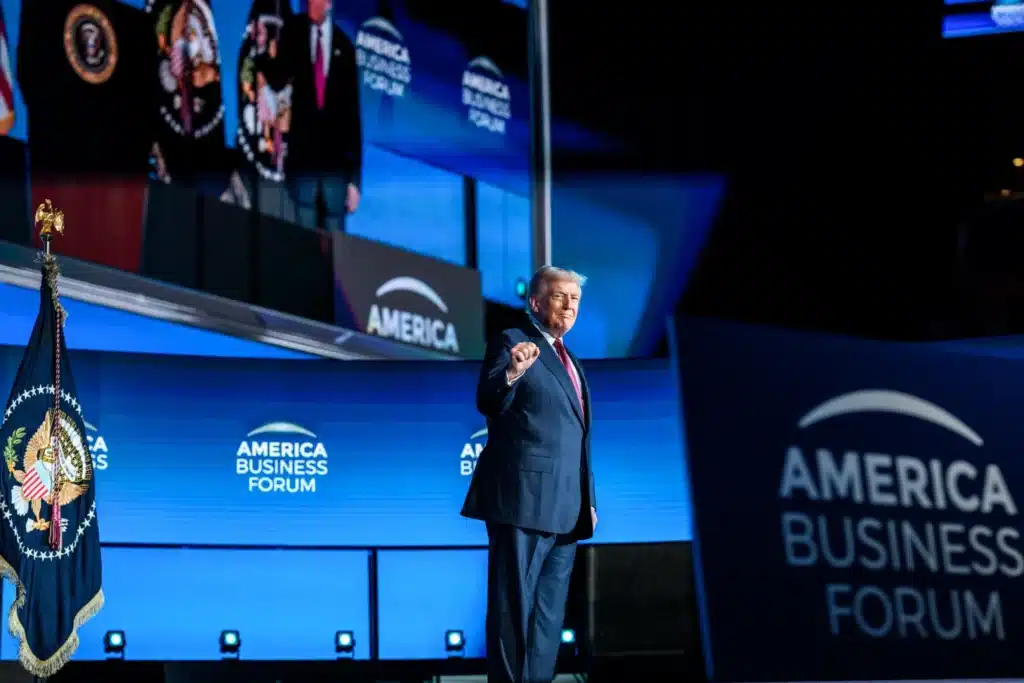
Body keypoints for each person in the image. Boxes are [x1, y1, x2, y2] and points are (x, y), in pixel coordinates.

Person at [462, 266, 598, 683]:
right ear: (536, 302)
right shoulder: (513, 341)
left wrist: (589, 499)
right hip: (522, 500)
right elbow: (488, 397)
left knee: (547, 621)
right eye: (560, 297)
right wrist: (512, 373)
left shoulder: (570, 359)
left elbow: (578, 438)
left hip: (567, 508)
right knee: (511, 611)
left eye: (575, 299)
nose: (570, 306)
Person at [281, 0, 362, 237]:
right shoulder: (293, 33)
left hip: (335, 177)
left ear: (327, 3)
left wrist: (354, 181)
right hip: (302, 169)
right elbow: (278, 78)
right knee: (304, 248)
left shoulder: (345, 47)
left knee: (335, 255)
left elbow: (352, 120)